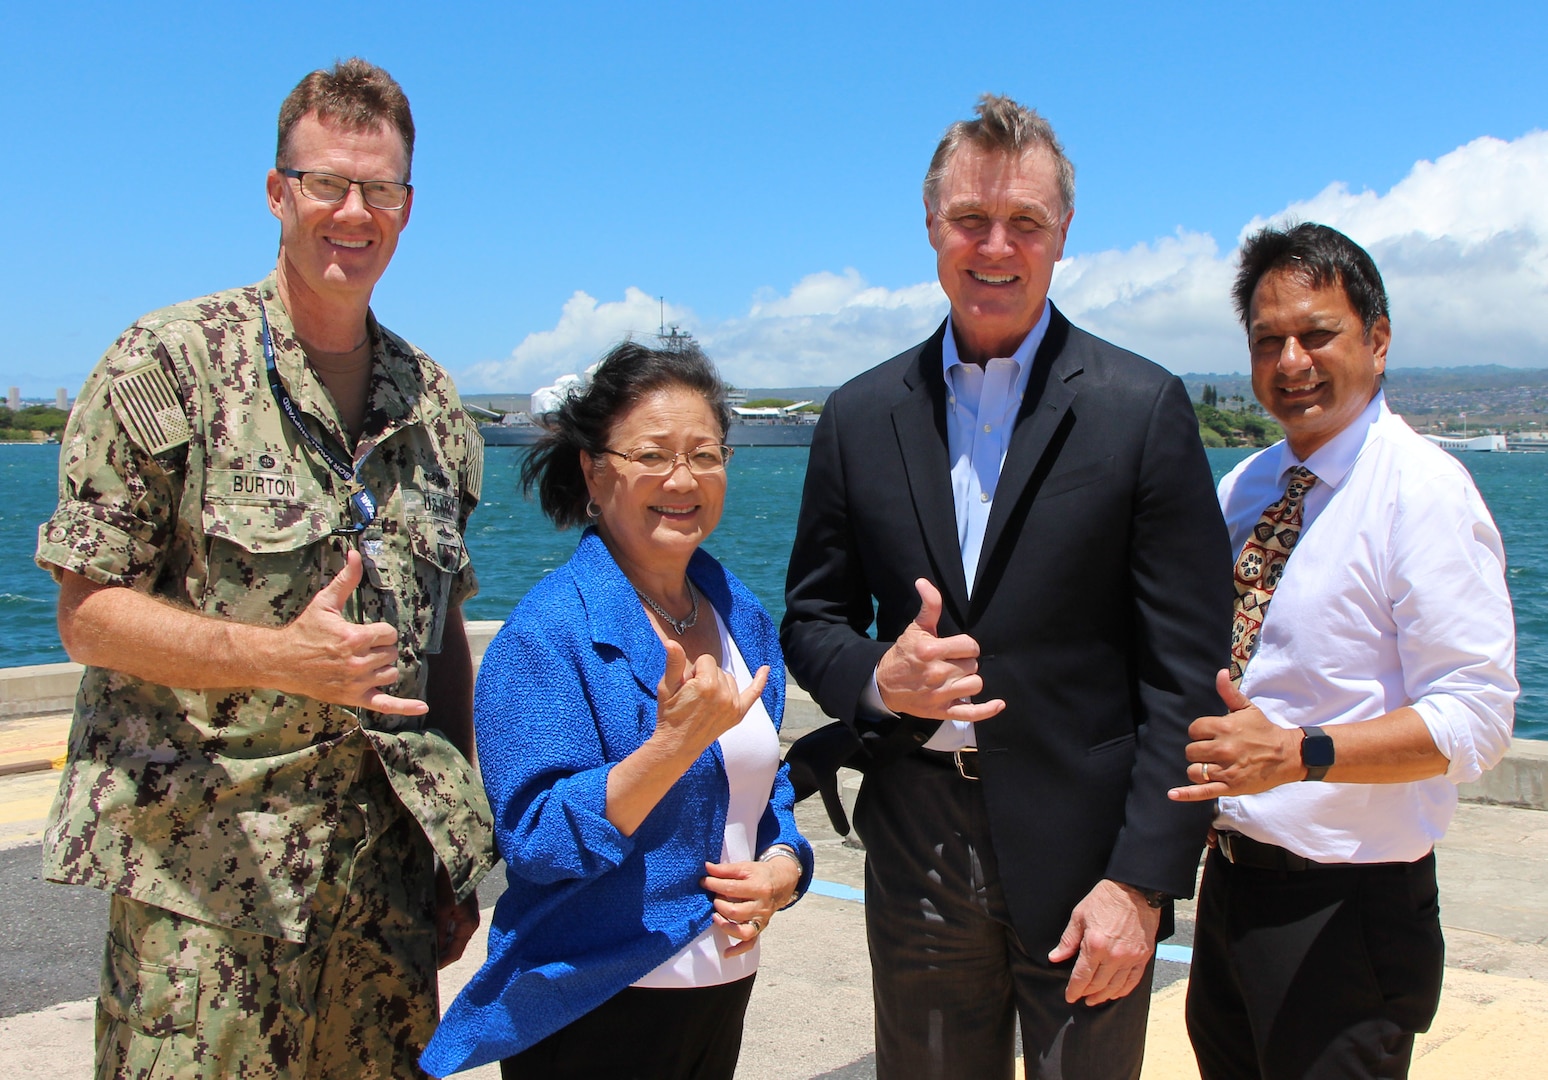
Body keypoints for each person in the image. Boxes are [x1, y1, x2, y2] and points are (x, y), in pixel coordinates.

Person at [35, 59, 493, 1078]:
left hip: (381, 900)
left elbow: (439, 639)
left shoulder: (434, 407)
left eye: (380, 190)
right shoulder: (167, 365)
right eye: (327, 182)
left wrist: (453, 847)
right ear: (278, 190)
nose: (353, 212)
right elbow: (88, 614)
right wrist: (278, 659)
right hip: (207, 900)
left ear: (407, 210)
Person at [780, 94, 1232, 1079]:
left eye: (1024, 221)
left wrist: (1143, 882)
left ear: (1063, 234)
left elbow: (1188, 675)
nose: (996, 246)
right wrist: (876, 676)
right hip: (917, 845)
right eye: (970, 220)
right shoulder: (859, 416)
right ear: (931, 229)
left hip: (1089, 852)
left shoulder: (1139, 408)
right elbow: (812, 617)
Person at [1169, 222, 1517, 1079]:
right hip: (1231, 885)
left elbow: (1476, 719)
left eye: (1317, 334)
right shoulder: (1246, 488)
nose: (1292, 362)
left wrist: (1298, 755)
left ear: (1378, 338)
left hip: (1347, 911)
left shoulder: (1423, 493)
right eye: (1267, 341)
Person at [421, 341, 814, 1079]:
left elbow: (765, 785)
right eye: (653, 456)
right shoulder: (548, 634)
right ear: (595, 473)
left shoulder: (742, 616)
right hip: (596, 1004)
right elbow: (534, 841)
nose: (683, 479)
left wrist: (786, 862)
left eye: (705, 455)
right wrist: (669, 747)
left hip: (720, 993)